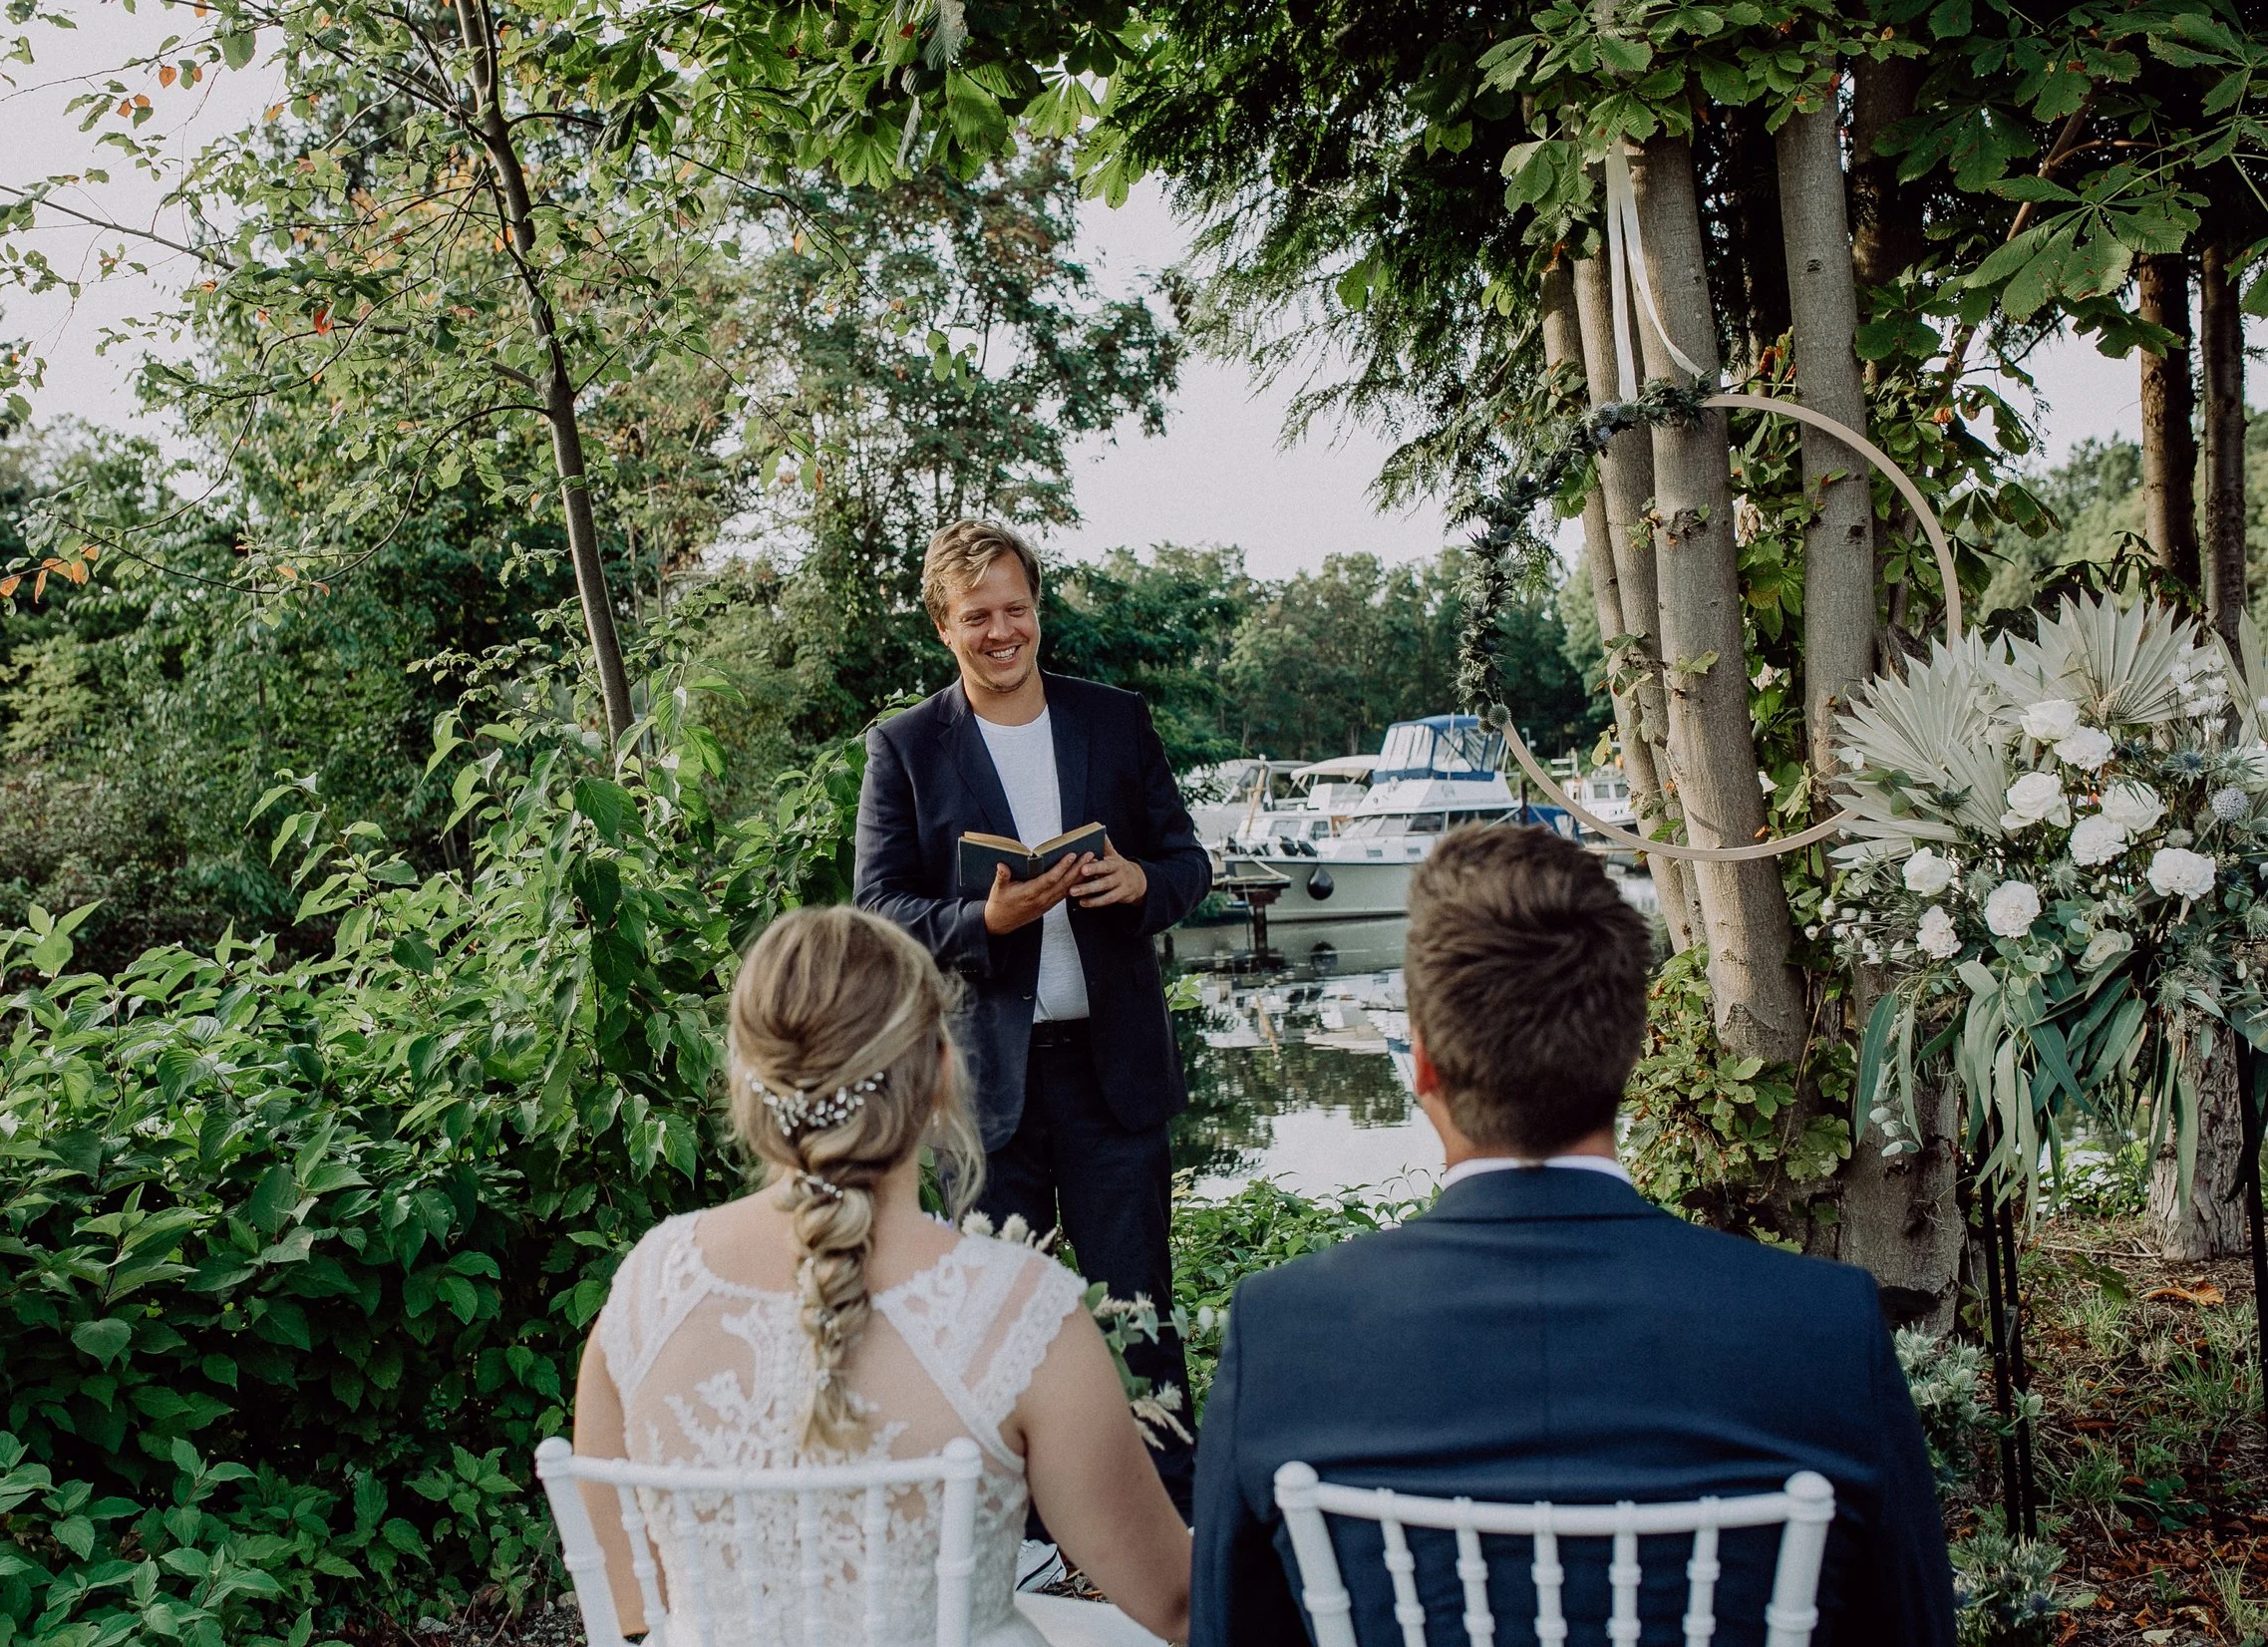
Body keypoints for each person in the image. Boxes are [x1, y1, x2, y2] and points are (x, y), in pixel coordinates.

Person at [1190, 824, 1956, 1647]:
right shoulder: (1823, 1323)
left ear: (1423, 1067)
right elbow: (1913, 1629)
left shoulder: (1284, 1329)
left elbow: (1230, 1630)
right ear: (1627, 1055)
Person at [573, 906, 1190, 1647]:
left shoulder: (647, 1293)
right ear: (940, 1069)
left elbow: (629, 1611)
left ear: (744, 1081)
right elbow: (1178, 1604)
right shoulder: (1023, 1315)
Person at [854, 517, 1212, 1515]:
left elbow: (1190, 864)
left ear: (1037, 611)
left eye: (1015, 608)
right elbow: (877, 908)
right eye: (977, 616)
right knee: (989, 1322)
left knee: (1140, 1314)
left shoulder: (1114, 719)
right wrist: (983, 918)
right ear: (943, 627)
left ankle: (1172, 1532)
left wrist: (1143, 878)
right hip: (984, 1087)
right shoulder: (906, 746)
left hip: (1116, 1075)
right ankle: (1018, 1539)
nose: (1001, 629)